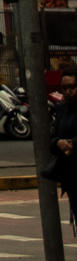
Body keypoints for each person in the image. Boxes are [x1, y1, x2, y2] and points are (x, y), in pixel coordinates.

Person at [43, 69, 77, 230]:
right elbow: (52, 137)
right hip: (71, 174)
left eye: (72, 87)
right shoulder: (62, 109)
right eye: (64, 88)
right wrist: (59, 143)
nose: (68, 92)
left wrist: (73, 144)